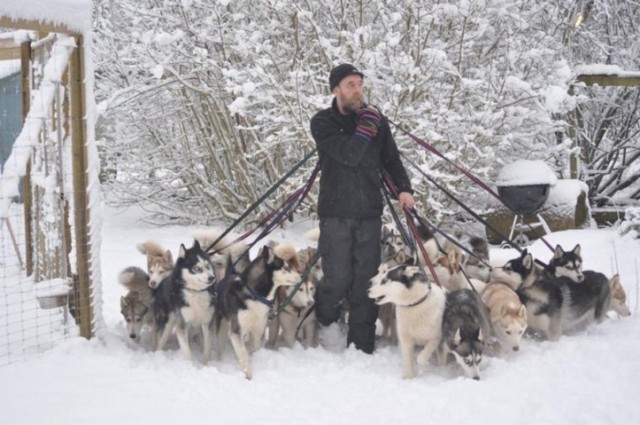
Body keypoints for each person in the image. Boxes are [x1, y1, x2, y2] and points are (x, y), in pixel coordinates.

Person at [309, 63, 416, 353]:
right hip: (335, 212)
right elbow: (349, 154)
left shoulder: (376, 122)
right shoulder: (322, 122)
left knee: (366, 280)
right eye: (350, 85)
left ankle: (362, 343)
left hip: (370, 211)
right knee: (337, 278)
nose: (357, 90)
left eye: (359, 84)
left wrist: (404, 188)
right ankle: (329, 325)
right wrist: (368, 126)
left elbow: (391, 159)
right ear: (336, 90)